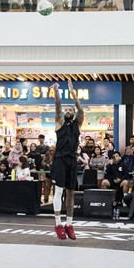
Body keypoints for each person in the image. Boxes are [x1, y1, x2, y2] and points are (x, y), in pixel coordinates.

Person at [50, 80, 84, 240]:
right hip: (60, 159)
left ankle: (69, 224)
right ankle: (58, 224)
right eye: (67, 109)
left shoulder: (77, 124)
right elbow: (57, 107)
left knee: (71, 193)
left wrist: (73, 93)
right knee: (59, 191)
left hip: (72, 160)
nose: (69, 110)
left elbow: (81, 109)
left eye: (71, 109)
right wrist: (57, 91)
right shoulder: (60, 122)